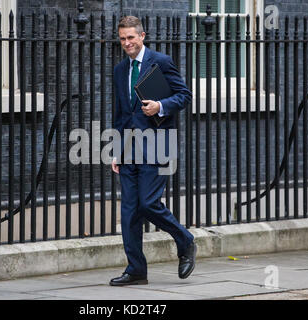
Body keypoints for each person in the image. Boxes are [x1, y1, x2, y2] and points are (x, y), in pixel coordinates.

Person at [109, 15, 196, 286]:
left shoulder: (160, 61)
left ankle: (185, 240)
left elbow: (184, 96)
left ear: (142, 36)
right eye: (122, 39)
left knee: (148, 203)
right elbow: (120, 113)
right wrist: (116, 149)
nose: (126, 43)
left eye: (131, 38)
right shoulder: (120, 70)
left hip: (158, 145)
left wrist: (160, 106)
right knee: (129, 211)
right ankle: (136, 269)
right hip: (128, 149)